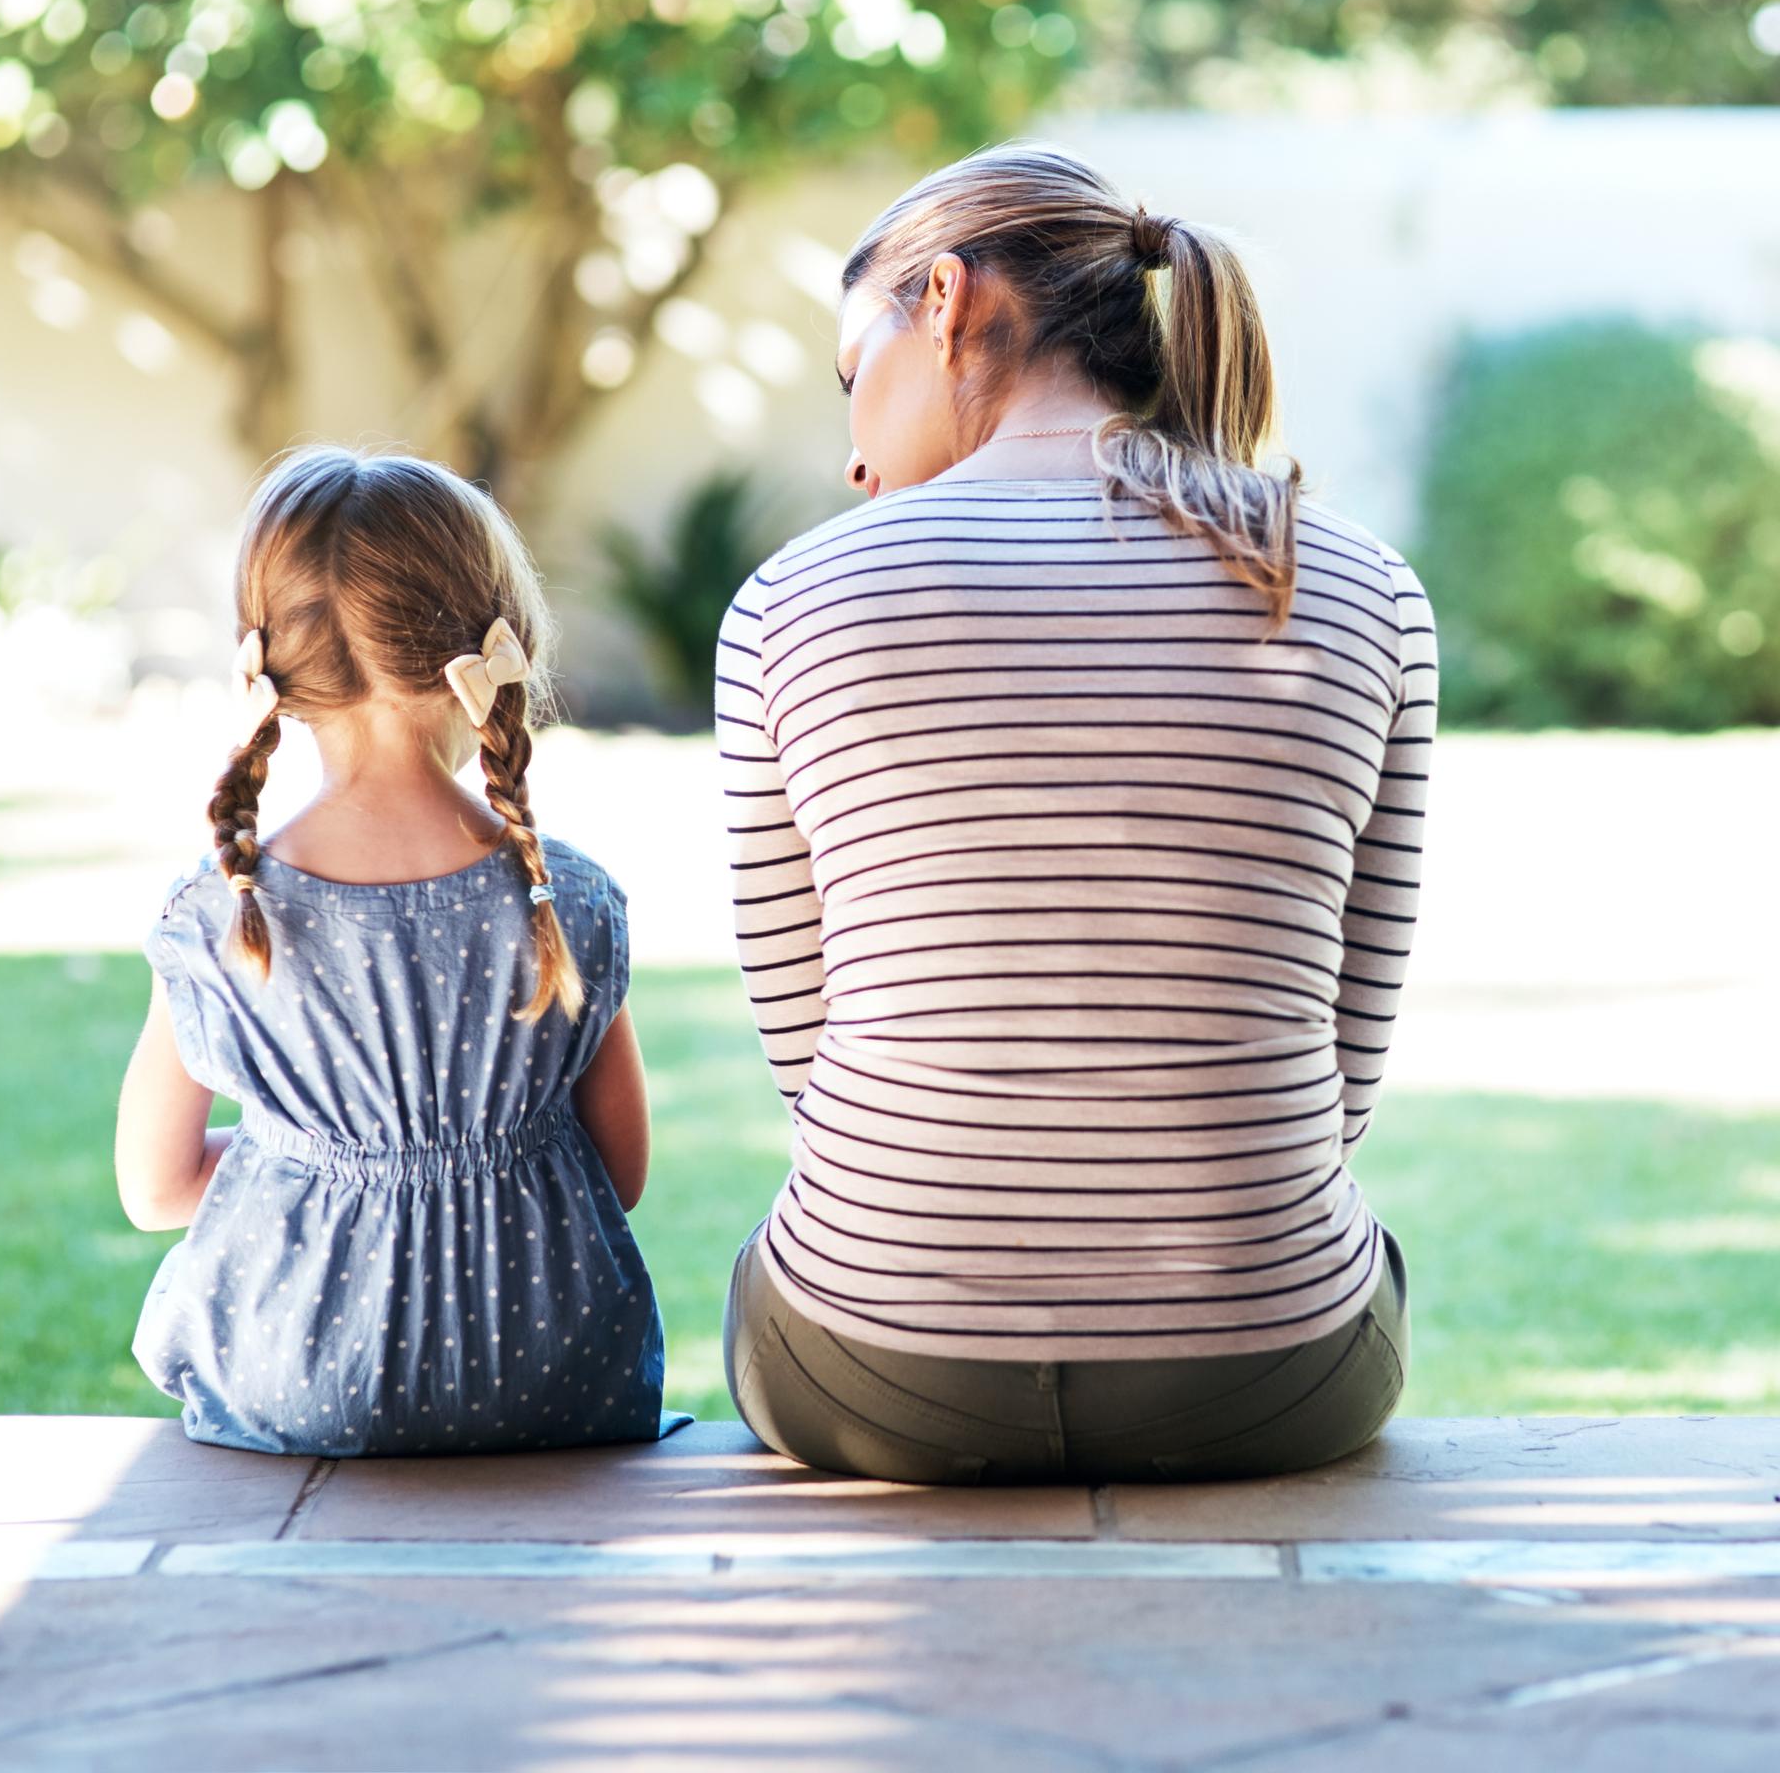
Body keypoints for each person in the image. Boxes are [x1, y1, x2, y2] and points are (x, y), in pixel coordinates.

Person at [715, 143, 1437, 1484]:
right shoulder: (1357, 586)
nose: (853, 453)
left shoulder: (791, 602)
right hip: (1268, 1374)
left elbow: (811, 1062)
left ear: (944, 301)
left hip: (878, 1374)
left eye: (848, 374)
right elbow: (1344, 1061)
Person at [116, 442, 688, 1457]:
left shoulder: (223, 910)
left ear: (272, 668)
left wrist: (311, 1158)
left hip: (297, 1381)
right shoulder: (571, 898)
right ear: (490, 637)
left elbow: (153, 1187)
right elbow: (622, 1170)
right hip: (551, 1375)